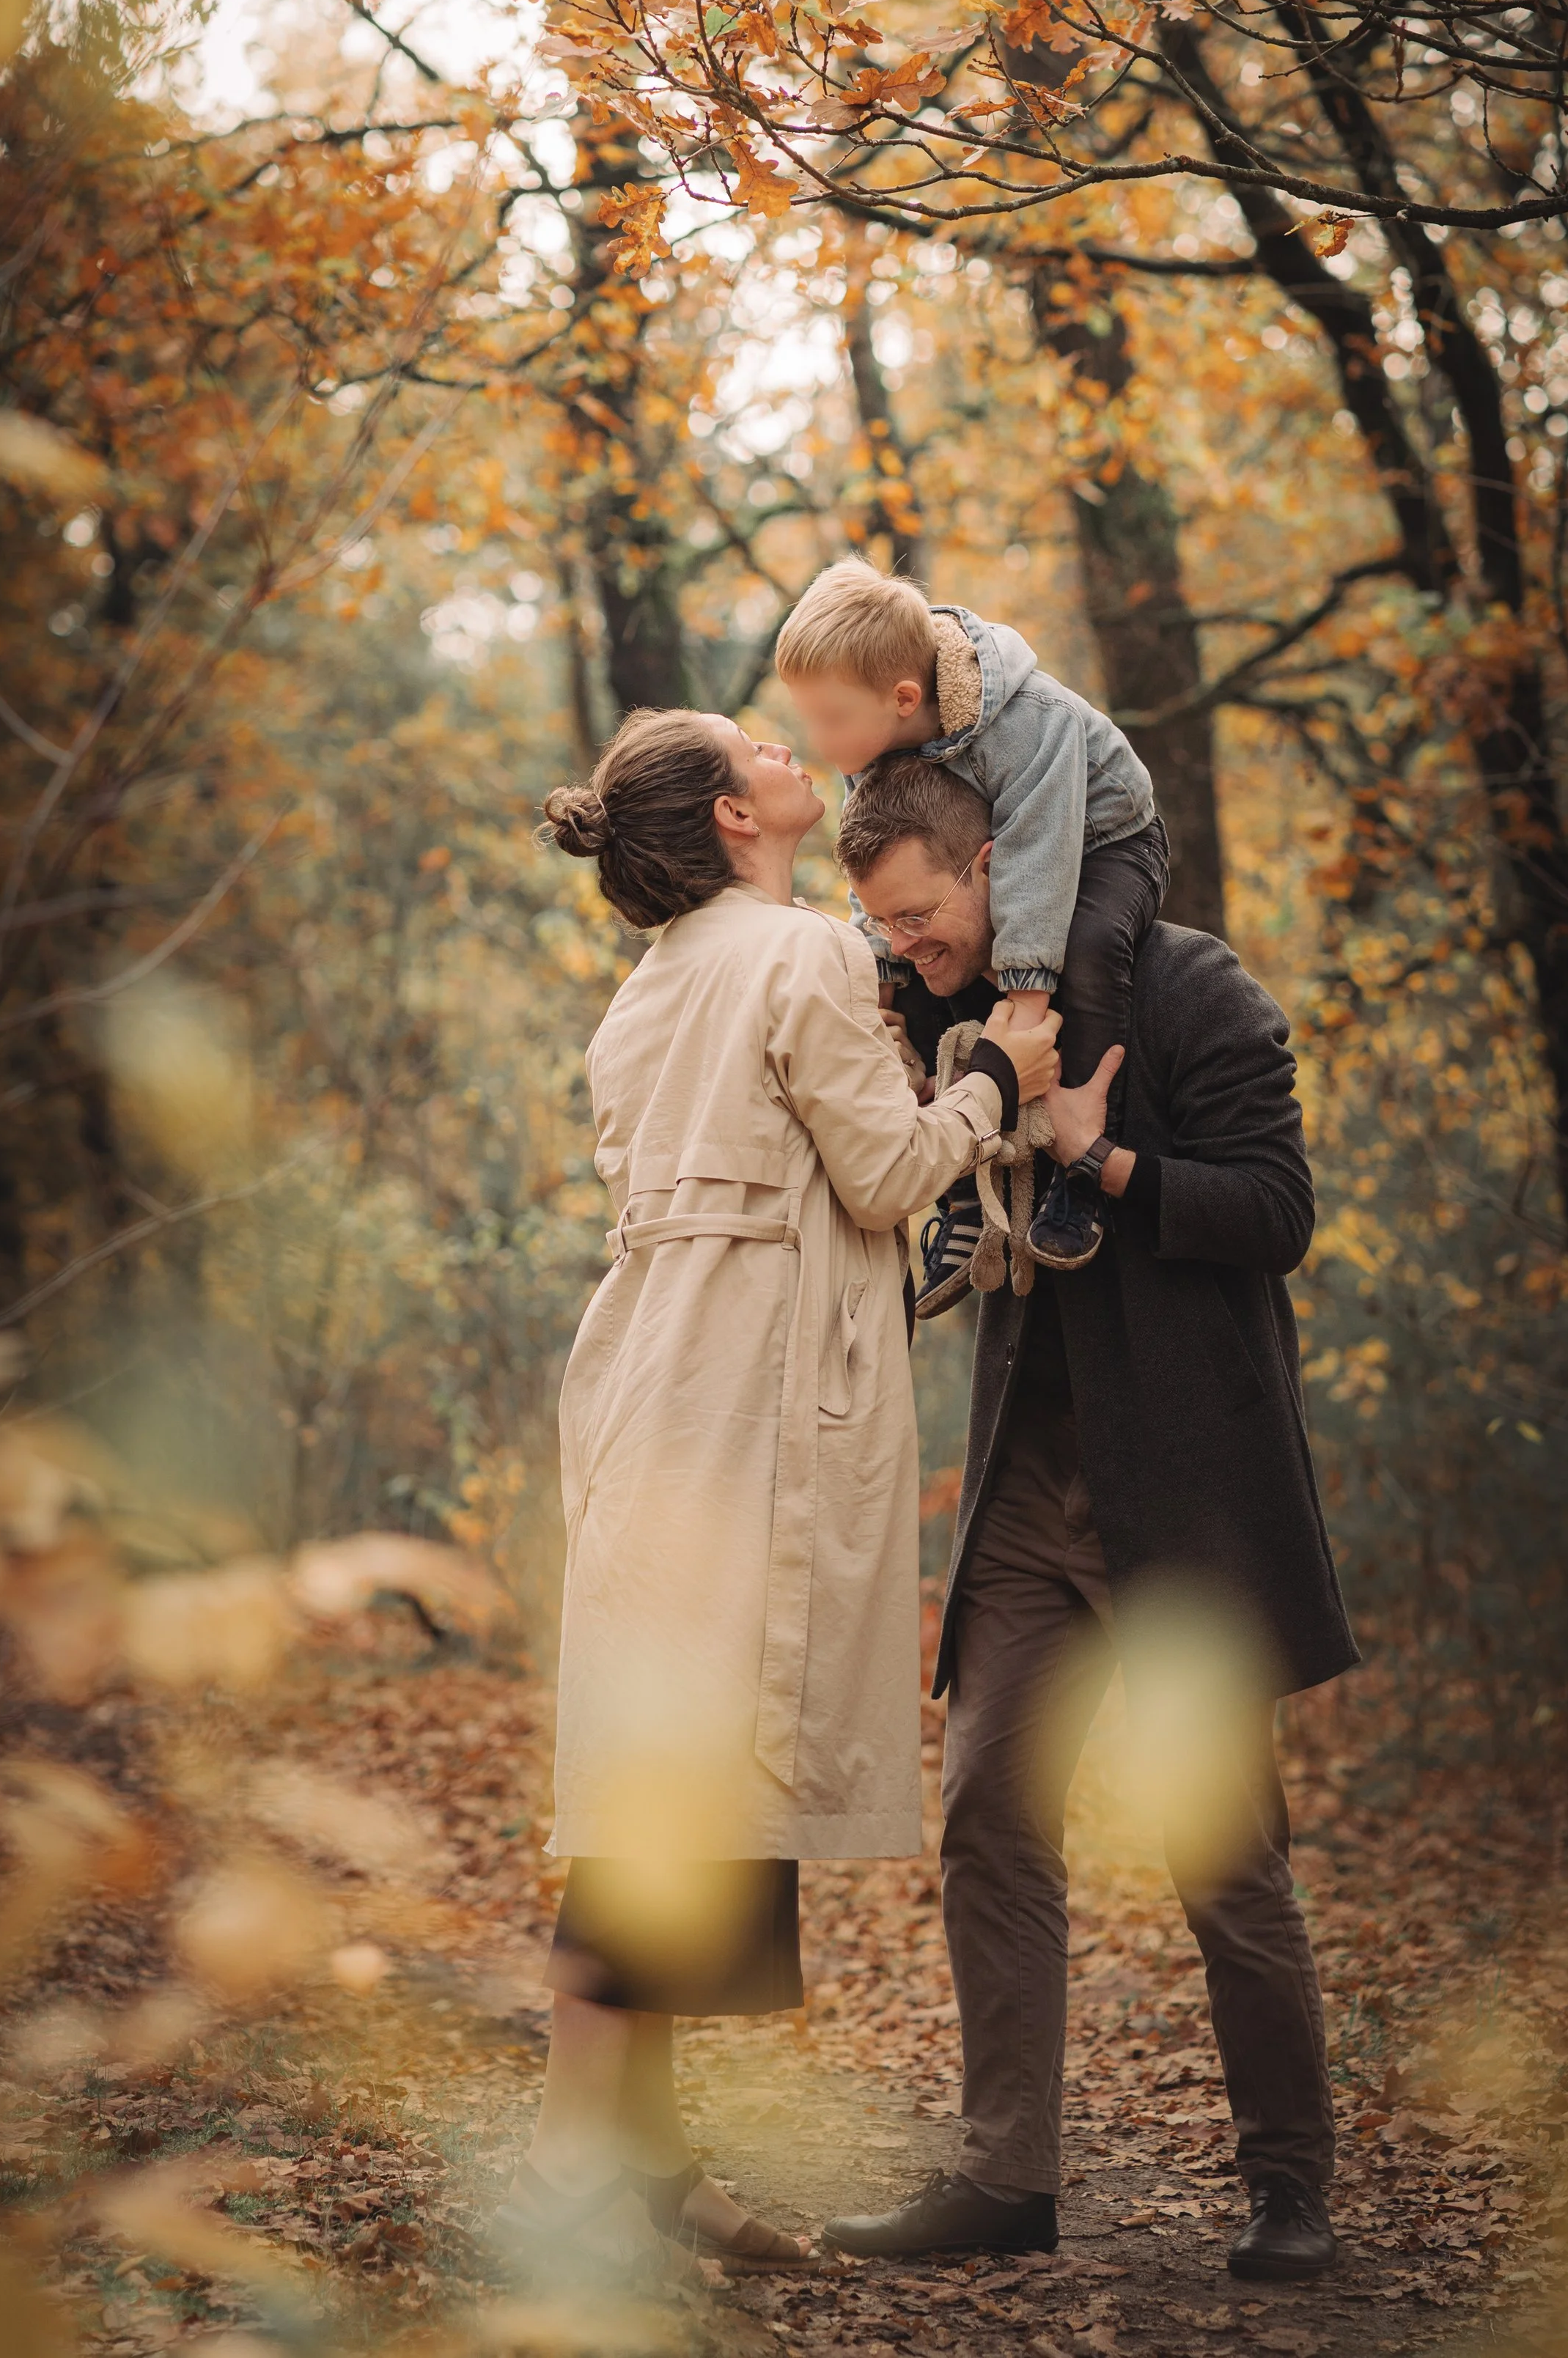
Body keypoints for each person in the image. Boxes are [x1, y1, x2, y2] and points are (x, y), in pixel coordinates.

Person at [496, 708, 1061, 2283]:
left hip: (641, 1387)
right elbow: (885, 1177)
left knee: (665, 1764)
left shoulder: (648, 988)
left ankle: (647, 2164)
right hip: (742, 1394)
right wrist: (995, 1083)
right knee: (679, 1784)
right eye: (758, 743)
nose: (784, 742)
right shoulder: (797, 952)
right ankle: (570, 2165)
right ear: (739, 817)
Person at [820, 759, 1359, 2287]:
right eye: (890, 934)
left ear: (995, 863)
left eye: (924, 919)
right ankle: (1006, 2180)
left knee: (1224, 1855)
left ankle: (1287, 2188)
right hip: (1023, 1496)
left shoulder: (1197, 992)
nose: (912, 951)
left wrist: (1096, 1157)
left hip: (1182, 1495)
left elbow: (1275, 1214)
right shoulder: (954, 1013)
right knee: (987, 1812)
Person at [774, 560, 1167, 1308]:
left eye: (829, 719)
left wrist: (1021, 1014)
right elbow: (876, 864)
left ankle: (1078, 1168)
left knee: (1081, 953)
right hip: (986, 863)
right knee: (929, 968)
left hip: (1101, 843)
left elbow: (1038, 864)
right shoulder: (873, 746)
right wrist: (879, 975)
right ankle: (958, 1185)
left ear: (902, 698)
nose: (817, 740)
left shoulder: (1031, 724)